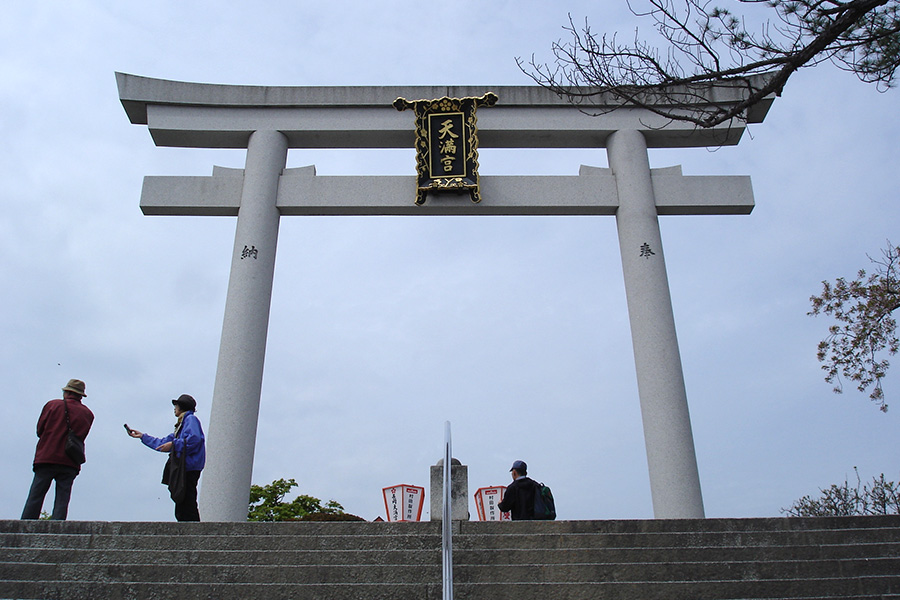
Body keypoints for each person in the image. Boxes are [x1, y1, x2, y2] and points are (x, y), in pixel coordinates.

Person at [21, 379, 95, 520]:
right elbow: (81, 436)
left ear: (66, 392)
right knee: (63, 497)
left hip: (47, 455)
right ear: (81, 396)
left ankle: (27, 524)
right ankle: (57, 525)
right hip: (71, 459)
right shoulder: (88, 414)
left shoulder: (52, 405)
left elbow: (39, 430)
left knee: (37, 494)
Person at [128, 394, 206, 521]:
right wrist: (143, 436)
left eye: (176, 405)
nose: (174, 408)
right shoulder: (182, 424)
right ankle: (188, 529)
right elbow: (163, 443)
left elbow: (194, 440)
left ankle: (192, 531)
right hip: (185, 467)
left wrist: (174, 444)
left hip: (189, 467)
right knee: (182, 500)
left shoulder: (190, 420)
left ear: (182, 407)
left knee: (186, 500)